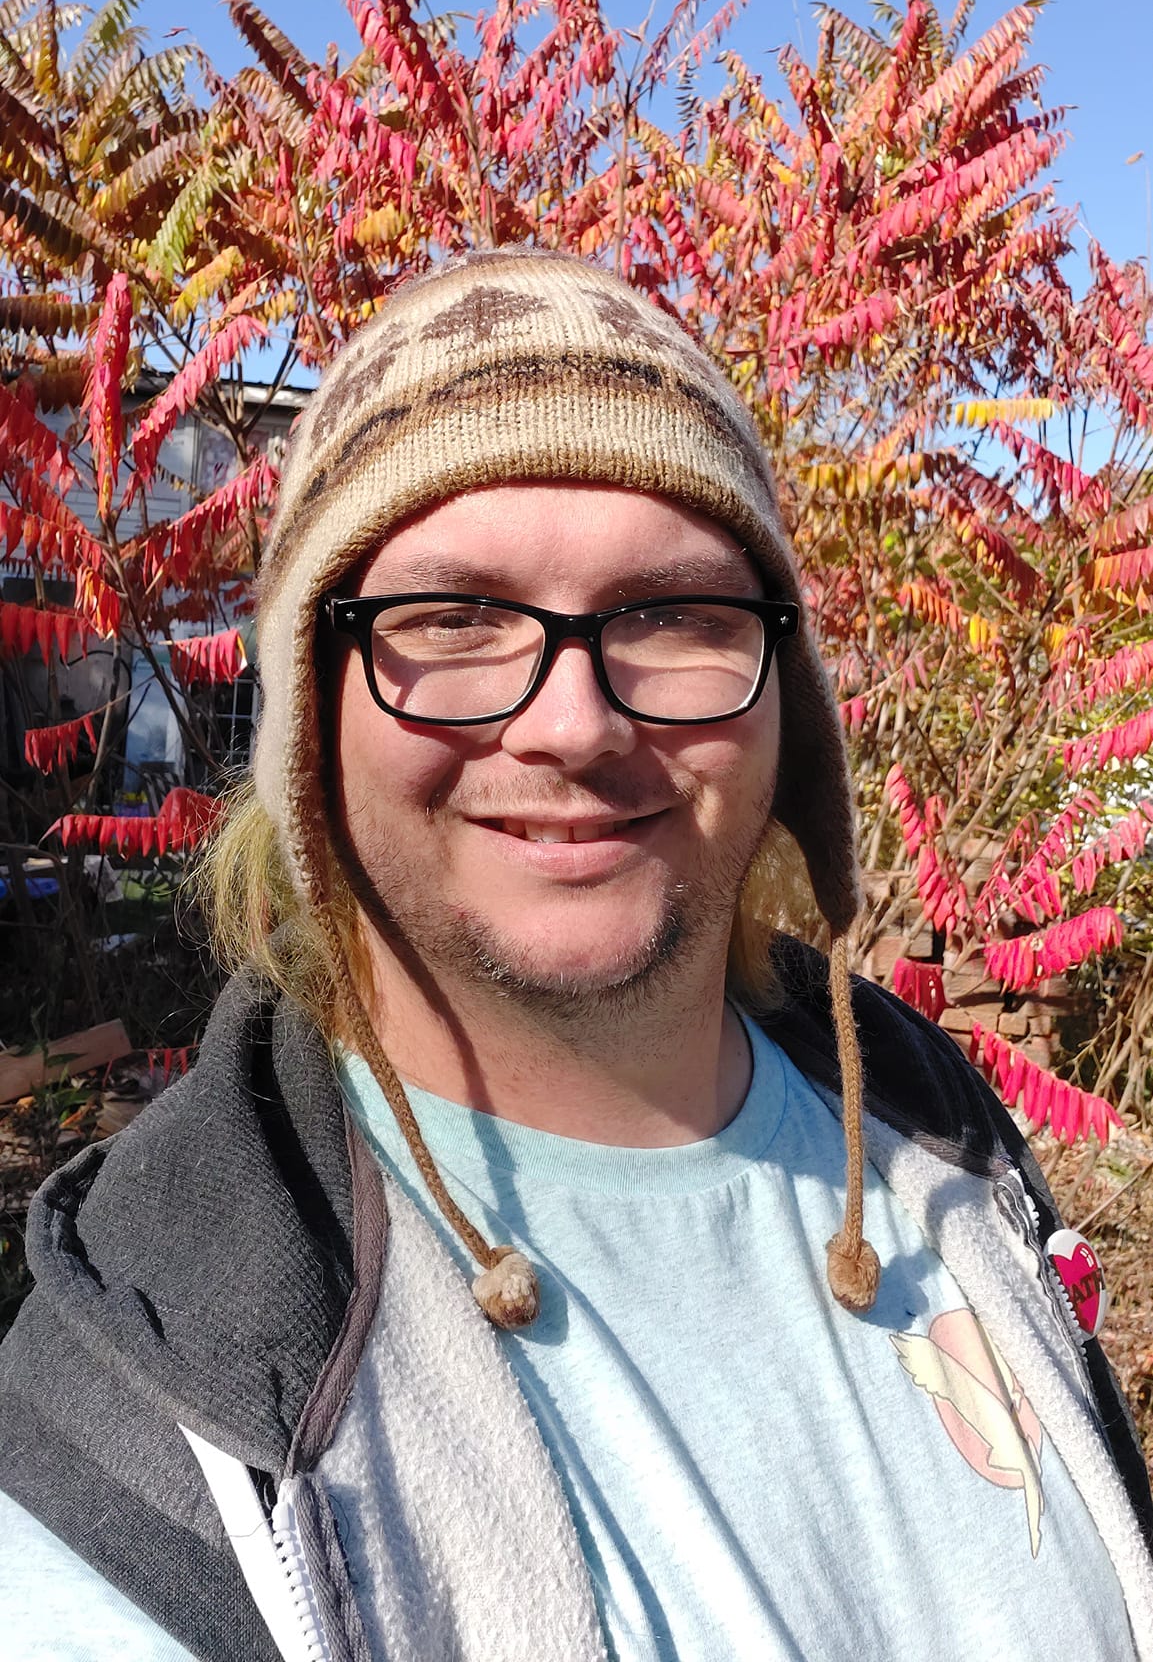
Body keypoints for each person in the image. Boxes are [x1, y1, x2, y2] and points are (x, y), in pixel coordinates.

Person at [0, 249, 1150, 1662]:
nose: (573, 727)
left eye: (668, 615)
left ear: (780, 703)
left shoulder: (937, 1144)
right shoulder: (151, 1427)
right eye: (449, 618)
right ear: (313, 713)